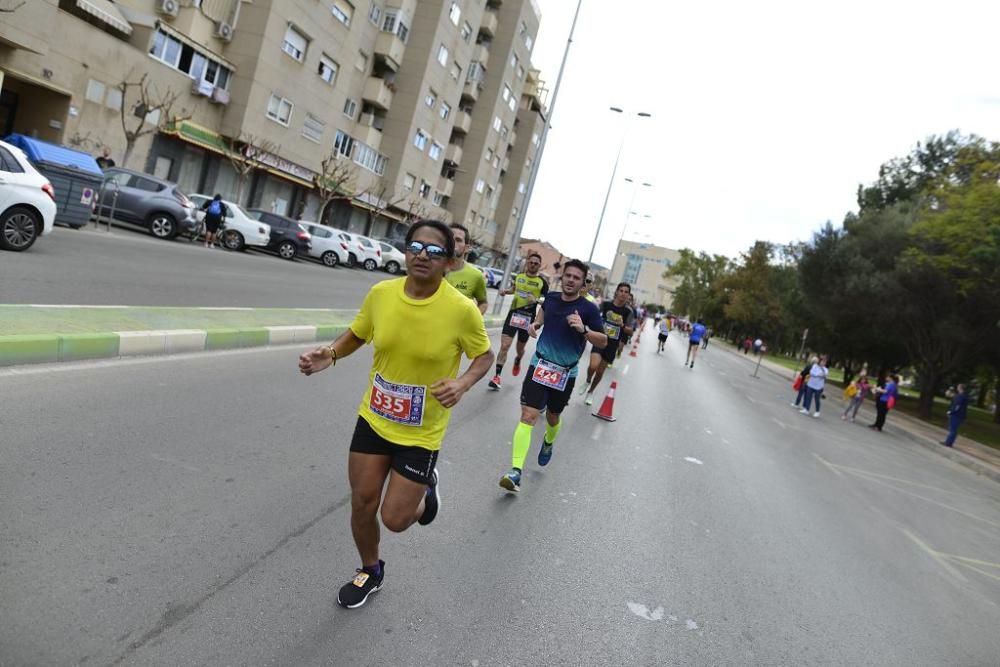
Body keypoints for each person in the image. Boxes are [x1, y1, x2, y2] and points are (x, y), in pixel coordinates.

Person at [297, 220, 494, 609]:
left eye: (434, 250)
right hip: (374, 417)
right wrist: (331, 354)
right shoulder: (381, 293)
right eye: (415, 246)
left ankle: (427, 494)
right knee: (362, 502)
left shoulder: (461, 310)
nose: (423, 255)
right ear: (405, 251)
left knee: (396, 519)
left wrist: (464, 383)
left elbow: (484, 355)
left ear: (449, 260)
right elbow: (359, 332)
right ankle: (370, 569)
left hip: (420, 433)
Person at [499, 259, 606, 492]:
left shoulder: (589, 309)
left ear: (583, 282)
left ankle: (548, 441)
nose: (570, 280)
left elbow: (604, 340)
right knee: (528, 415)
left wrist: (584, 330)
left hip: (565, 373)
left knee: (553, 417)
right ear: (562, 277)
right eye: (568, 276)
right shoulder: (552, 299)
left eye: (576, 278)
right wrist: (536, 325)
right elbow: (543, 312)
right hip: (539, 365)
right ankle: (515, 471)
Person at [489, 252, 548, 390]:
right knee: (504, 346)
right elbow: (514, 289)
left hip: (527, 318)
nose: (533, 264)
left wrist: (537, 300)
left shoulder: (542, 282)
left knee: (519, 349)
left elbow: (547, 301)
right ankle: (497, 376)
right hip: (513, 315)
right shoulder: (520, 276)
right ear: (527, 262)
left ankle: (518, 359)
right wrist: (506, 291)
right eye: (531, 262)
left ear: (539, 266)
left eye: (536, 263)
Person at [579, 282, 634, 406]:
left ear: (628, 295)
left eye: (626, 292)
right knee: (593, 366)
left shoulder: (628, 311)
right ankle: (588, 381)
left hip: (612, 345)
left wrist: (622, 325)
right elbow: (594, 315)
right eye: (621, 291)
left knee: (600, 371)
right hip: (600, 339)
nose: (623, 294)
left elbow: (630, 331)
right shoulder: (606, 304)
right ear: (616, 292)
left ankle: (591, 392)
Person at [445, 223, 488, 314]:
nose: (452, 243)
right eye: (449, 238)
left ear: (467, 248)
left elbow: (483, 303)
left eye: (458, 240)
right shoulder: (431, 268)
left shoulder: (476, 275)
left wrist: (472, 320)